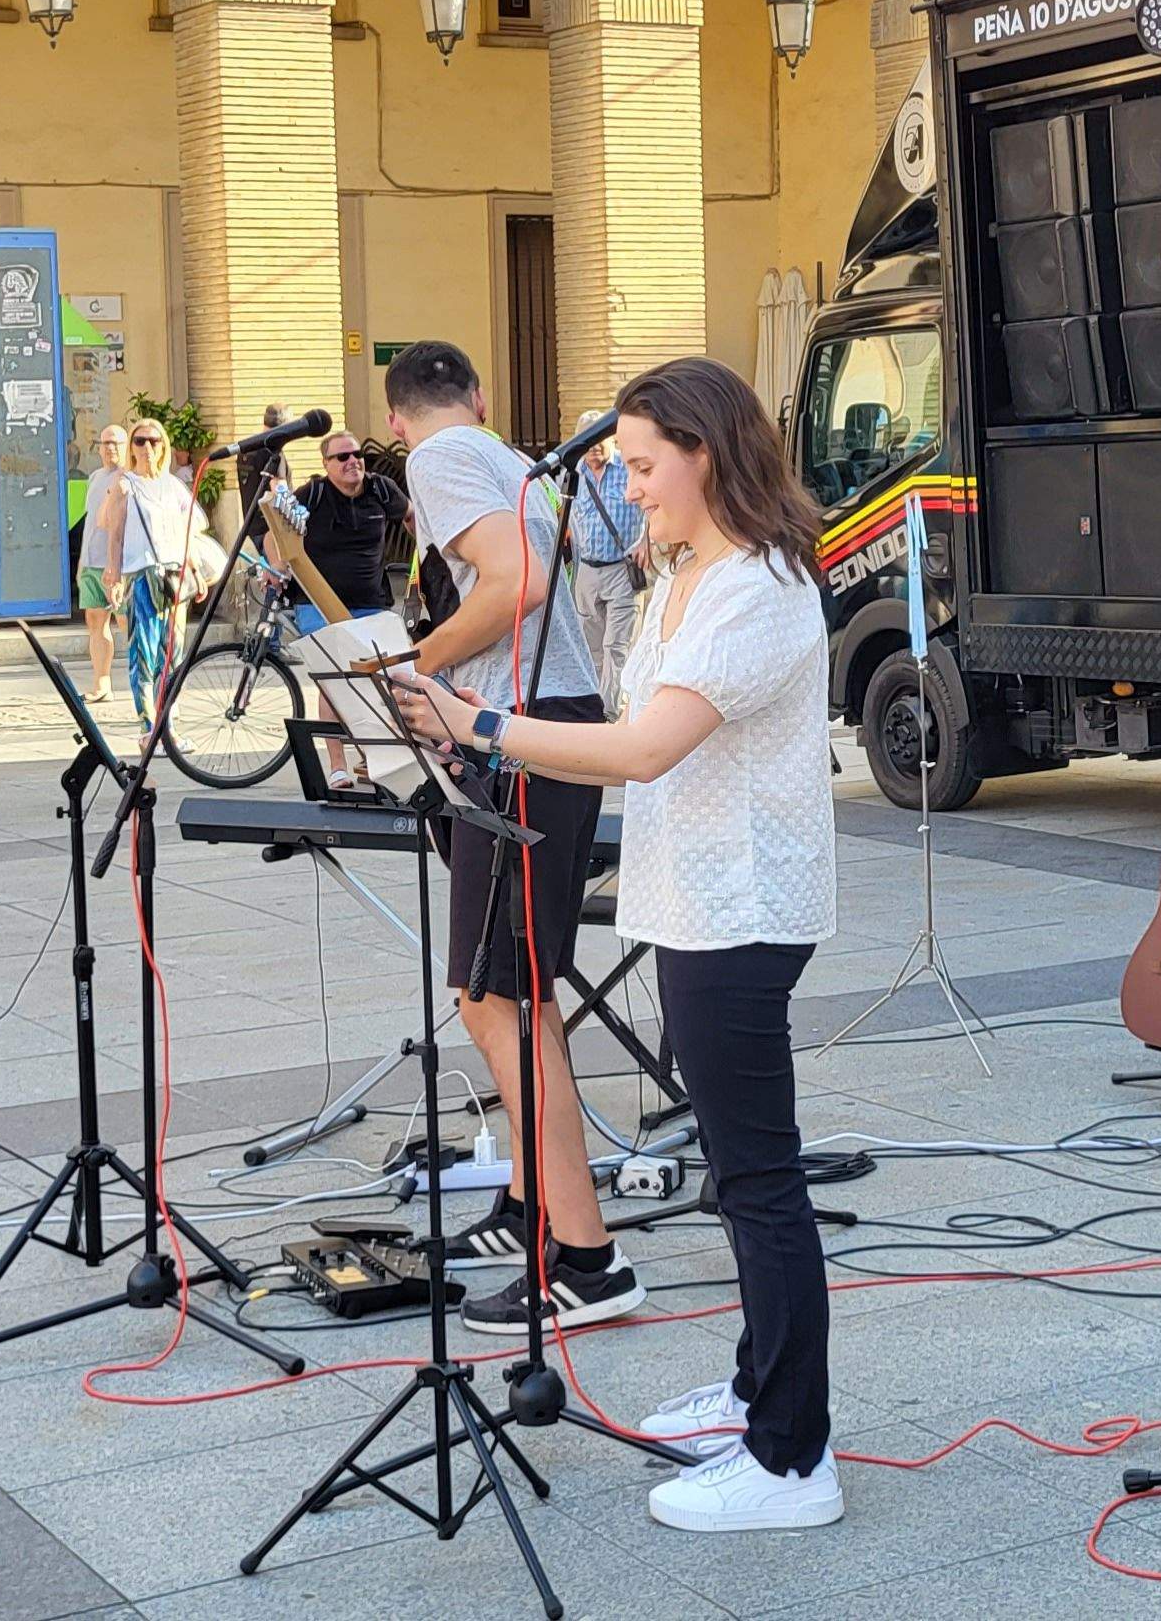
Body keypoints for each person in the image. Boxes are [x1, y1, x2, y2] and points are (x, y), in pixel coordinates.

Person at [386, 356, 844, 1534]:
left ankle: (793, 1459)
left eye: (644, 468)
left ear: (707, 453)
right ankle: (755, 1392)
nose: (629, 490)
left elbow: (643, 748)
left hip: (741, 909)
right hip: (697, 902)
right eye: (624, 468)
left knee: (759, 1183)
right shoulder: (694, 571)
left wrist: (480, 721)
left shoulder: (755, 588)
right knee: (747, 1181)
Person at [370, 342, 631, 1334]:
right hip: (545, 722)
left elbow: (514, 583)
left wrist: (414, 670)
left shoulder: (435, 462)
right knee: (520, 994)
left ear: (396, 420)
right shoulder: (505, 456)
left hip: (512, 734)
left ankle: (587, 1260)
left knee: (491, 1005)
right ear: (478, 395)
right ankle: (532, 1207)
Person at [121, 420, 201, 712]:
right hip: (142, 575)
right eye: (140, 441)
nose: (147, 448)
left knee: (172, 653)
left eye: (154, 441)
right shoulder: (126, 484)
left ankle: (167, 723)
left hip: (174, 576)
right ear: (131, 446)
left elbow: (188, 527)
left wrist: (194, 568)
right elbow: (112, 530)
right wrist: (112, 574)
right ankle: (146, 724)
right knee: (143, 652)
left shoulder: (172, 485)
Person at [289, 428, 403, 631]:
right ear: (326, 463)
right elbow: (274, 533)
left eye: (357, 454)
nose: (352, 461)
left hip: (371, 606)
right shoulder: (312, 494)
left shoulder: (381, 488)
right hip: (317, 608)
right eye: (342, 457)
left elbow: (411, 516)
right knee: (332, 662)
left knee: (383, 662)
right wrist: (275, 566)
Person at [565, 447, 647, 695]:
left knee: (616, 645)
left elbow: (653, 500)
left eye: (600, 441)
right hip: (587, 571)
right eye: (588, 443)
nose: (594, 448)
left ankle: (609, 712)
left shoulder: (627, 467)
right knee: (591, 645)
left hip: (621, 569)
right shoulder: (573, 473)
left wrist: (646, 540)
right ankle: (595, 701)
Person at [76, 425, 138, 708]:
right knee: (95, 621)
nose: (110, 448)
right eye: (105, 443)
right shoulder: (95, 478)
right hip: (92, 562)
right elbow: (91, 523)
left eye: (115, 443)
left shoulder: (130, 479)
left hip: (119, 566)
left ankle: (144, 681)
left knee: (126, 622)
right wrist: (81, 563)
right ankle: (102, 683)